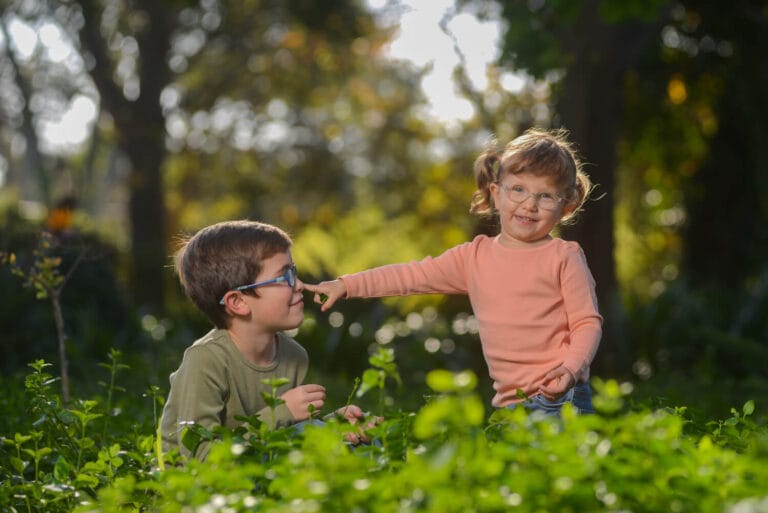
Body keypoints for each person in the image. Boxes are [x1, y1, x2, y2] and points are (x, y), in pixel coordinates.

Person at [305, 128, 603, 415]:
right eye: (518, 190)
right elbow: (410, 276)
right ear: (496, 193)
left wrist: (571, 368)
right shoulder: (473, 257)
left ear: (566, 206)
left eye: (545, 196)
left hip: (560, 396)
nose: (530, 204)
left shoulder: (564, 256)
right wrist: (346, 285)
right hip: (508, 404)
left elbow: (587, 323)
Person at [161, 220, 368, 460]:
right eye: (284, 277)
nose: (299, 285)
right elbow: (198, 457)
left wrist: (334, 426)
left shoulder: (294, 355)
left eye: (294, 272)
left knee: (363, 446)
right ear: (238, 302)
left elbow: (284, 435)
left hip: (260, 467)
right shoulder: (205, 360)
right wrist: (282, 412)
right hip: (203, 481)